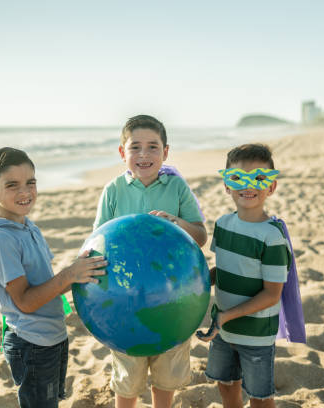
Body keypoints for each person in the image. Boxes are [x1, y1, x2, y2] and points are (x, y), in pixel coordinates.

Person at [0, 147, 107, 407]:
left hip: (52, 336)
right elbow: (25, 301)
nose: (25, 192)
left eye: (31, 183)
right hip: (31, 343)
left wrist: (79, 273)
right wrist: (70, 273)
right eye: (12, 185)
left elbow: (46, 283)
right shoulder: (1, 241)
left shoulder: (27, 226)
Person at [94, 114, 208, 408]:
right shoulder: (113, 191)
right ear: (122, 153)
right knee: (127, 379)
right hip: (125, 300)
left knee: (166, 376)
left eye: (153, 147)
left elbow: (200, 236)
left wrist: (176, 222)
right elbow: (98, 243)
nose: (144, 155)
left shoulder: (177, 188)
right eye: (135, 147)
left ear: (166, 152)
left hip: (173, 298)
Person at [196, 143, 290, 408]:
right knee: (225, 383)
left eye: (259, 178)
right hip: (224, 329)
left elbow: (272, 294)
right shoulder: (223, 225)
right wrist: (199, 281)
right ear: (227, 185)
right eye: (238, 178)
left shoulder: (272, 237)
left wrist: (226, 316)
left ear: (271, 187)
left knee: (260, 396)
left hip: (256, 334)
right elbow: (223, 270)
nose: (249, 187)